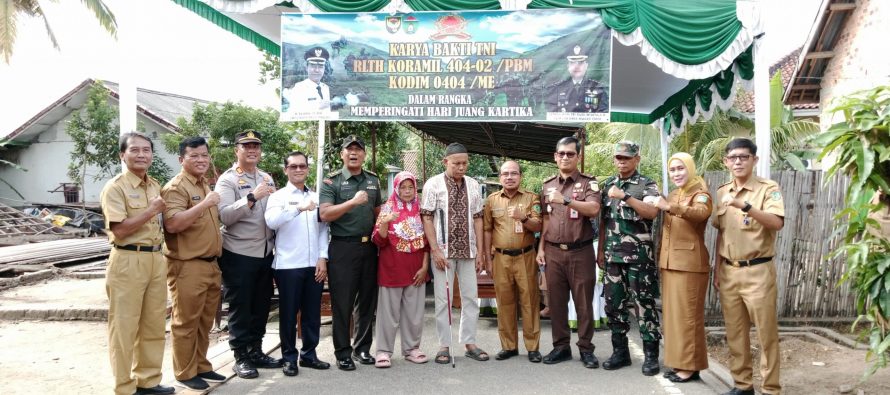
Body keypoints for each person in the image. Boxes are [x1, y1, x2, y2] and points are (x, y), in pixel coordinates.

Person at [100, 132, 173, 395]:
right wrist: (151, 211)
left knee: (153, 323)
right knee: (124, 326)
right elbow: (119, 230)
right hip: (127, 258)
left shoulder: (153, 185)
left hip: (155, 258)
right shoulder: (115, 187)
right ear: (122, 154)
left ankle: (148, 380)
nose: (142, 155)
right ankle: (124, 386)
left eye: (147, 150)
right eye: (135, 150)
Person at [713, 138, 784, 395]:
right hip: (729, 271)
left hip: (758, 271)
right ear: (726, 162)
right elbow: (721, 232)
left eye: (744, 157)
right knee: (735, 333)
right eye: (733, 158)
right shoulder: (722, 192)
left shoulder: (767, 189)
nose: (738, 162)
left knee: (766, 336)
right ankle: (743, 385)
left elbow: (776, 222)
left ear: (754, 160)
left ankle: (771, 389)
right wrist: (716, 268)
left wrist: (746, 206)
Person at [161, 137, 226, 390]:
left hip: (210, 264)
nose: (201, 160)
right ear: (181, 160)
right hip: (187, 265)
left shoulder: (203, 185)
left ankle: (201, 365)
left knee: (204, 321)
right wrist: (205, 204)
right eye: (194, 156)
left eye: (204, 155)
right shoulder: (176, 188)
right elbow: (173, 224)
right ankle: (184, 372)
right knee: (185, 321)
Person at [215, 130, 281, 379]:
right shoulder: (228, 180)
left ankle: (256, 351)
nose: (252, 150)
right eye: (246, 146)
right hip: (238, 253)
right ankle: (241, 356)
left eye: (256, 146)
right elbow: (225, 216)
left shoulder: (266, 177)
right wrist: (252, 197)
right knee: (241, 307)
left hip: (265, 253)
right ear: (237, 150)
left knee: (261, 305)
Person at [319, 135, 384, 371]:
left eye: (358, 150)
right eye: (349, 150)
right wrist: (352, 203)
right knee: (342, 303)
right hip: (342, 248)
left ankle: (363, 348)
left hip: (369, 248)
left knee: (367, 301)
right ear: (342, 155)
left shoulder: (373, 181)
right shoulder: (331, 182)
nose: (354, 153)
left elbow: (379, 213)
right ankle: (343, 352)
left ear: (364, 155)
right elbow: (324, 214)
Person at [264, 151, 332, 377]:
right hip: (288, 265)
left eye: (302, 166)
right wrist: (298, 208)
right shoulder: (278, 197)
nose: (298, 170)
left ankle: (309, 355)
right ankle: (289, 357)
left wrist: (322, 257)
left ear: (307, 169)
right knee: (289, 313)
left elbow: (323, 230)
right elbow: (272, 222)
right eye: (293, 166)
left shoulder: (316, 196)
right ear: (286, 170)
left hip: (313, 264)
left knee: (312, 312)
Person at [421, 142, 489, 364]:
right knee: (443, 299)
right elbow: (427, 217)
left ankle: (469, 342)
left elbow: (478, 218)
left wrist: (479, 251)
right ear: (446, 162)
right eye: (457, 163)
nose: (462, 167)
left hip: (468, 250)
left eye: (465, 163)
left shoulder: (473, 185)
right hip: (443, 252)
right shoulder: (433, 184)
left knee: (470, 298)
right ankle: (444, 344)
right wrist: (435, 249)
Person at [536, 136, 601, 368]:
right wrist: (541, 248)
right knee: (557, 302)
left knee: (583, 303)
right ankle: (561, 347)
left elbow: (593, 209)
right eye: (561, 153)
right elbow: (545, 219)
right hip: (553, 252)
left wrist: (565, 200)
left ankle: (586, 348)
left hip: (580, 251)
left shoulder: (588, 183)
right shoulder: (547, 185)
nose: (565, 157)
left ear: (578, 156)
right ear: (555, 156)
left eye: (570, 154)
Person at [598, 140, 662, 376]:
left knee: (644, 306)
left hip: (639, 258)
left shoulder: (647, 185)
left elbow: (652, 212)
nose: (621, 161)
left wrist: (625, 196)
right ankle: (620, 353)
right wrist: (600, 252)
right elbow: (604, 221)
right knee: (613, 306)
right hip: (613, 257)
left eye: (626, 157)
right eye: (618, 157)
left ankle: (651, 356)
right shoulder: (608, 185)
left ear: (637, 159)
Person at [654, 152, 713, 383]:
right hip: (671, 263)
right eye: (673, 169)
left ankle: (690, 366)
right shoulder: (675, 193)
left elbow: (700, 214)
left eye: (681, 168)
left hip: (690, 264)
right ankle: (680, 362)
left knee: (688, 317)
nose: (677, 173)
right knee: (674, 318)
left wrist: (670, 207)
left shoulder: (701, 193)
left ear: (690, 168)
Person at [483, 161, 543, 363]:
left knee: (529, 302)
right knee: (505, 303)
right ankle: (509, 346)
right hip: (501, 258)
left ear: (520, 176)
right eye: (505, 174)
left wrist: (523, 218)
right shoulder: (491, 200)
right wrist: (487, 258)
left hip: (525, 256)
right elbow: (487, 230)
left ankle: (532, 347)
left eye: (514, 173)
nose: (509, 177)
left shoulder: (531, 198)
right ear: (500, 177)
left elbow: (538, 226)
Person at [372, 171, 430, 368]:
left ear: (415, 188)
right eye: (403, 187)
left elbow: (428, 243)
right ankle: (383, 351)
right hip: (391, 269)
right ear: (396, 188)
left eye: (410, 187)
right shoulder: (387, 209)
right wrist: (386, 221)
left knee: (414, 313)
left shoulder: (422, 209)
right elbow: (379, 241)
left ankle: (412, 349)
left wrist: (425, 267)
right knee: (388, 314)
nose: (407, 191)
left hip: (416, 269)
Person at [547, 45, 609, 113]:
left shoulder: (597, 87)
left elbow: (603, 112)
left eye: (580, 62)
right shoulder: (557, 88)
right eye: (572, 62)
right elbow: (551, 112)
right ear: (568, 66)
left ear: (586, 65)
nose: (576, 66)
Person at [284, 46, 331, 112]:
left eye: (320, 66)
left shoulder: (326, 88)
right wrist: (318, 107)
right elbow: (293, 112)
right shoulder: (298, 88)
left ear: (324, 69)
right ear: (306, 68)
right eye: (313, 66)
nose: (317, 70)